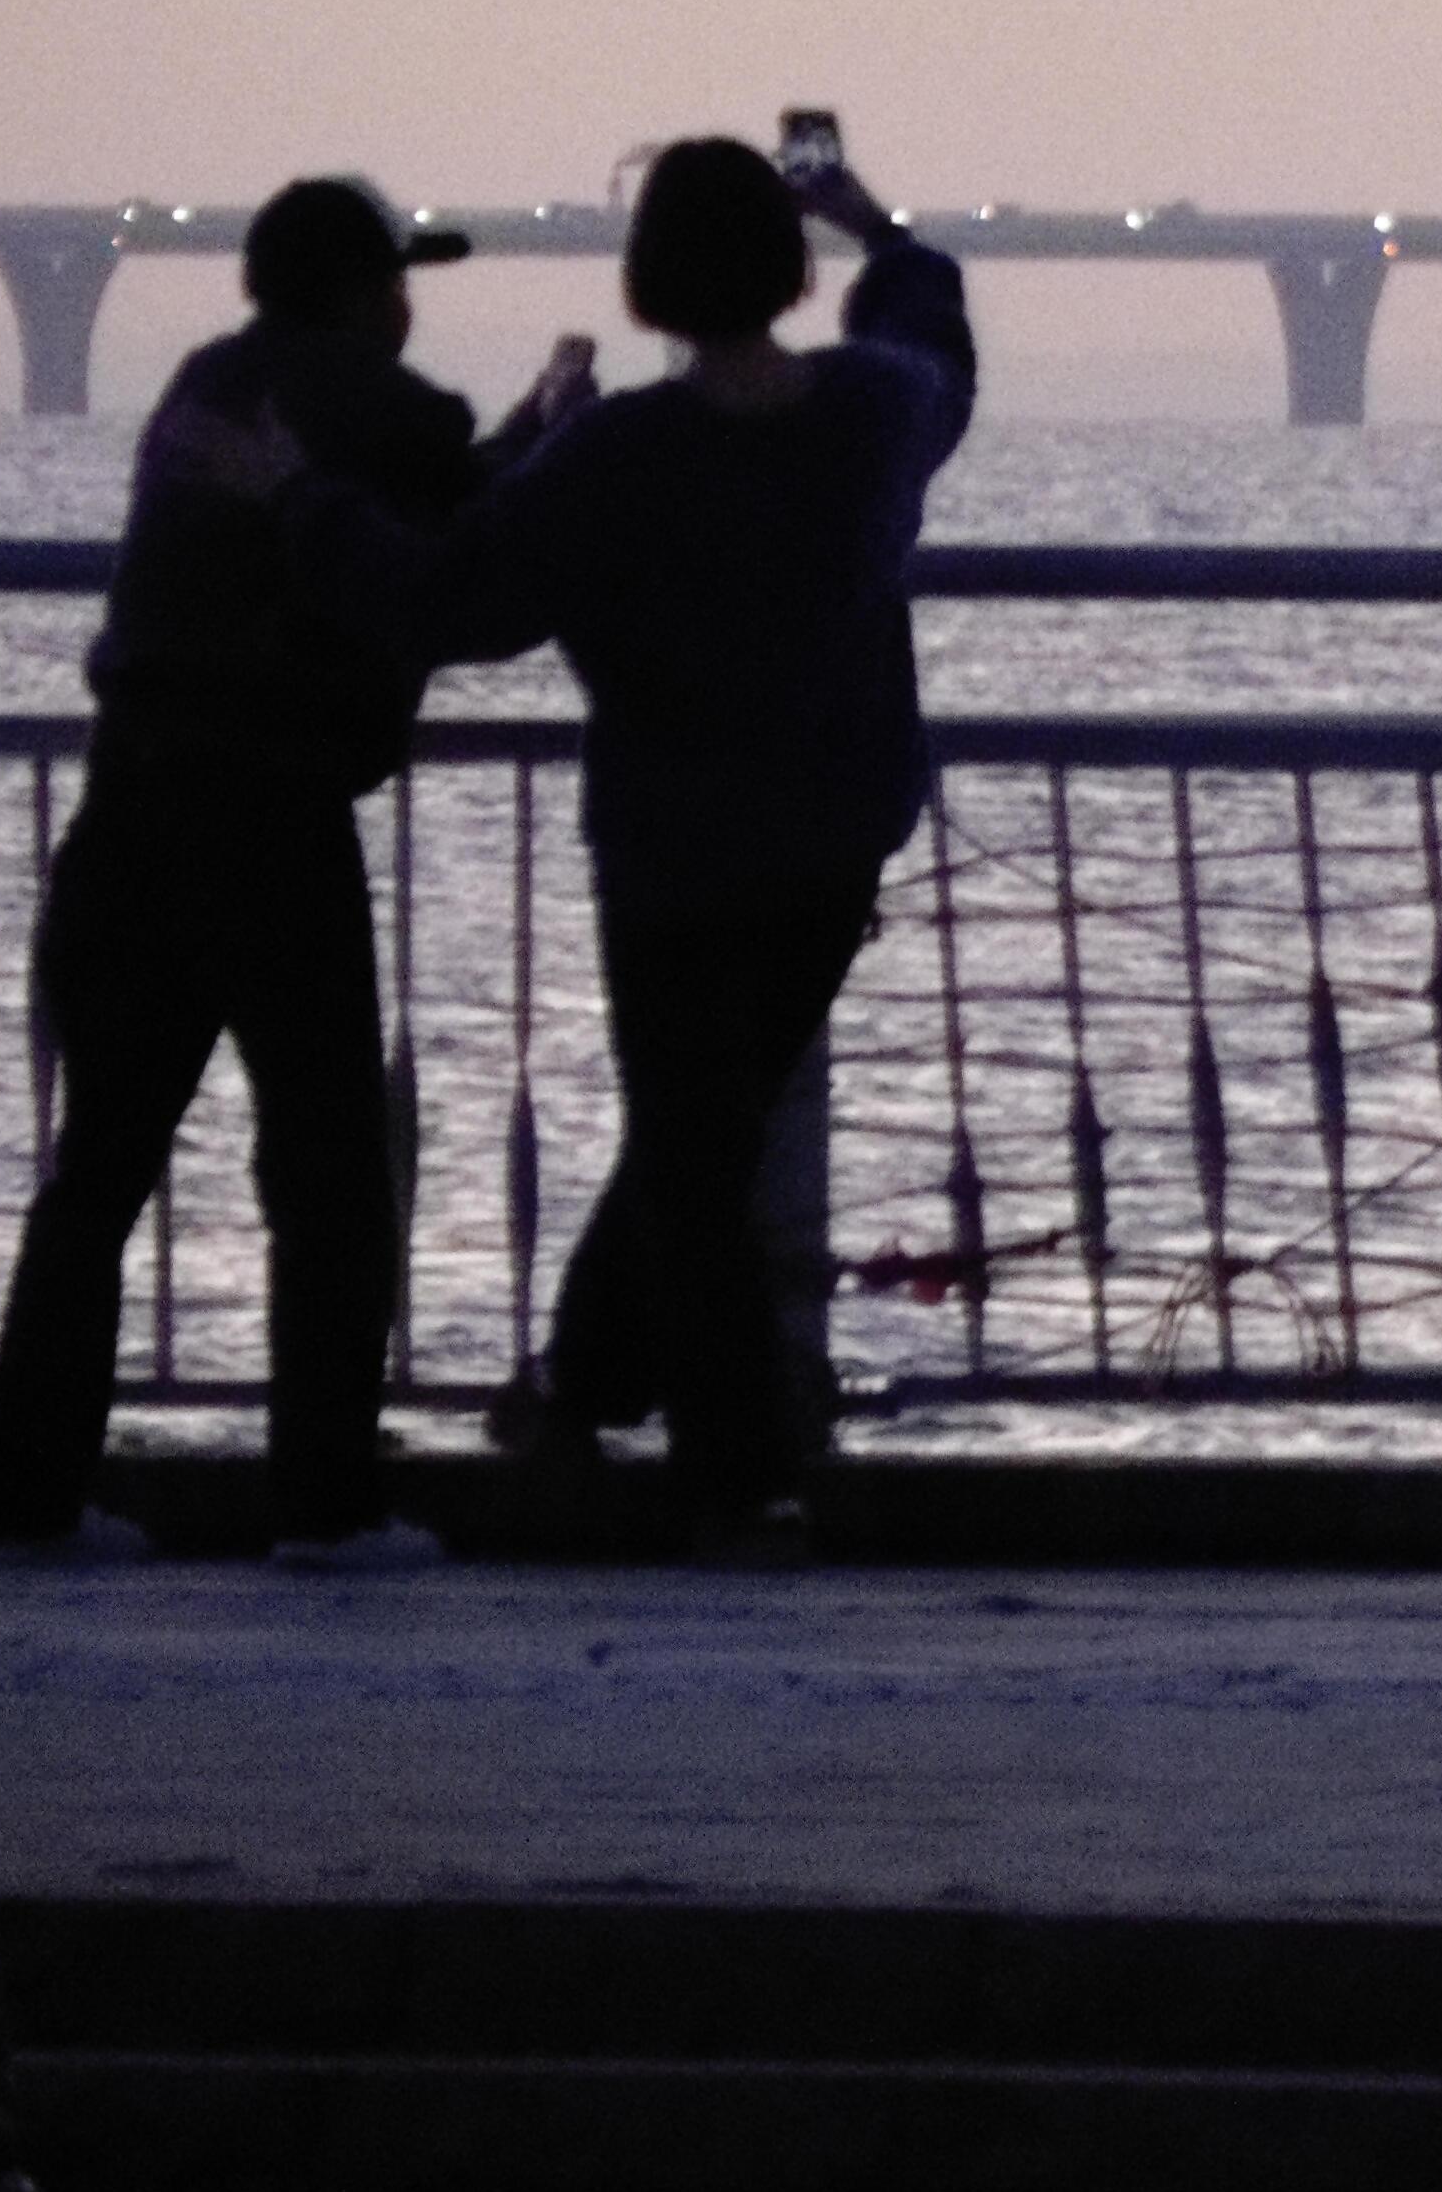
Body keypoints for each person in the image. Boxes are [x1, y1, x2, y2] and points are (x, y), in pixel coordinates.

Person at [309, 122, 974, 1552]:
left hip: (676, 856)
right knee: (701, 1141)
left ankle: (739, 1476)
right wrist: (878, 229)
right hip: (829, 846)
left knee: (691, 1152)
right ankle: (585, 1387)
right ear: (792, 267)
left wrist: (314, 503)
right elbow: (935, 345)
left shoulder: (618, 457)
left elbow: (458, 605)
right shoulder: (873, 413)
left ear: (648, 278)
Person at [0, 173, 588, 1568]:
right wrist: (553, 432)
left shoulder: (204, 386)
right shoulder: (384, 407)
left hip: (128, 809)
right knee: (327, 1180)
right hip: (272, 824)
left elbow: (398, 509)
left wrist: (516, 440)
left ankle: (19, 1502)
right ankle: (324, 1502)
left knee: (97, 1174)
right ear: (365, 295)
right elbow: (460, 542)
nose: (409, 303)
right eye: (398, 280)